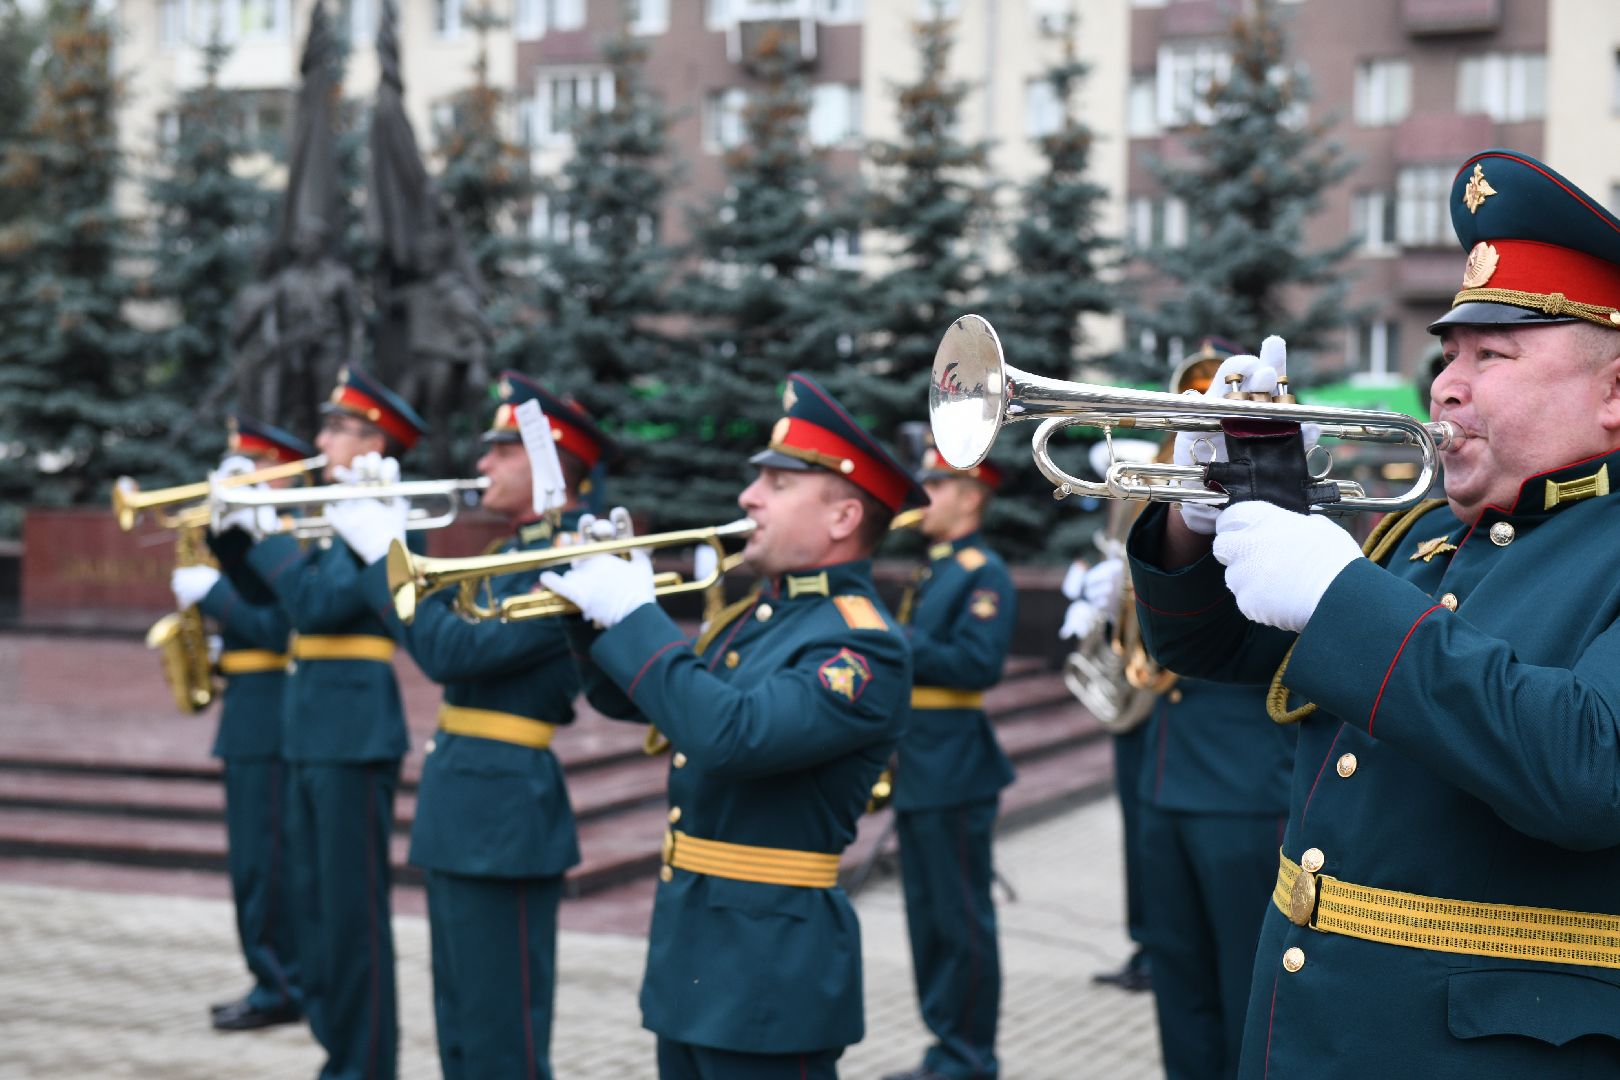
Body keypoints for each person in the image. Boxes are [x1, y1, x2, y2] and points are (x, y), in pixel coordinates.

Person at [1126, 149, 1620, 1078]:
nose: (1446, 385)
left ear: (1615, 395)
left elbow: (1589, 770)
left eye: (1492, 356)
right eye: (1448, 354)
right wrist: (1211, 507)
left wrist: (1338, 594)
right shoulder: (1430, 533)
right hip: (1310, 1033)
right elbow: (1203, 647)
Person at [540, 373, 928, 1080]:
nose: (749, 497)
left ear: (843, 518)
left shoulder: (861, 646)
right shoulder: (763, 617)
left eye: (778, 485)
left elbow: (732, 734)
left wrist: (635, 616)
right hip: (694, 953)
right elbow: (657, 704)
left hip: (770, 972)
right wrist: (586, 615)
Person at [326, 372, 615, 1079]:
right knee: (461, 1026)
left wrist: (383, 552)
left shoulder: (572, 559)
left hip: (504, 813)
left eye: (502, 451)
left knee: (498, 1037)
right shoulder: (513, 553)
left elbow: (451, 651)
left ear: (551, 464)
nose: (482, 464)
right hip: (467, 803)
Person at [211, 365, 427, 1080]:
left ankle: (363, 1066)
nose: (320, 438)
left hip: (352, 729)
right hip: (312, 725)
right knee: (313, 910)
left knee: (350, 919)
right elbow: (278, 592)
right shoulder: (341, 516)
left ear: (376, 442)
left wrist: (265, 528)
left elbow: (315, 606)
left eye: (338, 427)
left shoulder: (390, 516)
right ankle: (341, 1054)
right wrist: (232, 541)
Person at [1104, 344, 1298, 1080]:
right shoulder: (1176, 501)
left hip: (1242, 783)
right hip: (1167, 776)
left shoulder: (1284, 520)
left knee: (1244, 993)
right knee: (1178, 987)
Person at [171, 416, 312, 1032]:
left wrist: (212, 596)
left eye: (250, 466)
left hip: (271, 714)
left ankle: (280, 984)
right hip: (251, 710)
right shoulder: (249, 533)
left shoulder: (294, 535)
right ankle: (272, 977)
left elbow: (282, 626)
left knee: (267, 861)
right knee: (254, 862)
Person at [881, 447, 1016, 1080]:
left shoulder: (981, 571)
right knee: (928, 921)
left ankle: (969, 1057)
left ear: (970, 495)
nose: (923, 496)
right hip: (922, 758)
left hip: (954, 762)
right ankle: (944, 1048)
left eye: (935, 485)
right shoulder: (934, 570)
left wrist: (895, 637)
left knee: (959, 922)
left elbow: (976, 664)